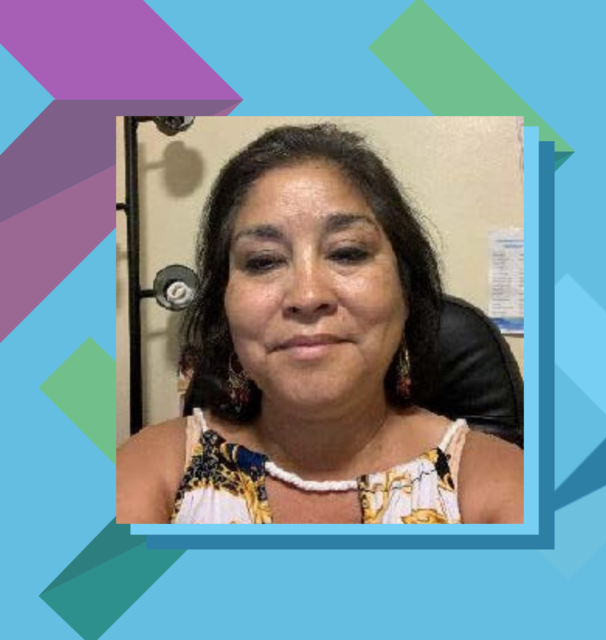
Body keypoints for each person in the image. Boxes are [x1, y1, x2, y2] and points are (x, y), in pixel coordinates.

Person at [116, 123, 524, 524]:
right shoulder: (154, 473)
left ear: (406, 290)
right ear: (224, 306)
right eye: (263, 261)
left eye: (347, 253)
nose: (307, 297)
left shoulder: (504, 487)